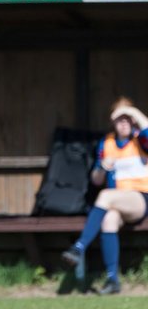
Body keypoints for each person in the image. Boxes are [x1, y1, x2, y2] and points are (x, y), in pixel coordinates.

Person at [61, 98, 148, 295]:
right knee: (108, 219)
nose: (124, 123)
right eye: (120, 119)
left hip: (141, 198)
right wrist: (102, 167)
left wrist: (131, 111)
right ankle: (112, 280)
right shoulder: (107, 143)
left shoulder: (141, 140)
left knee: (106, 196)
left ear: (133, 120)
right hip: (117, 202)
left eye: (128, 119)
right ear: (113, 122)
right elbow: (96, 180)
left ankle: (78, 247)